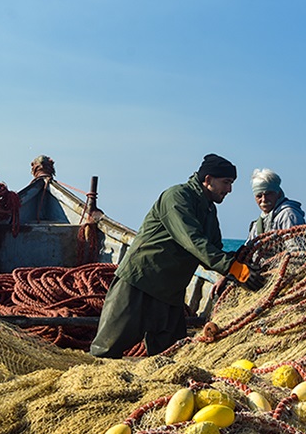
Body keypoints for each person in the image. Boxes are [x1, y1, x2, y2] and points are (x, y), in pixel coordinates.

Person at [90, 154, 265, 359]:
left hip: (170, 292)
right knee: (105, 352)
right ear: (208, 180)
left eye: (231, 183)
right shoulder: (177, 197)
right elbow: (193, 241)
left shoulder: (209, 210)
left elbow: (213, 248)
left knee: (171, 357)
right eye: (226, 183)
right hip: (139, 282)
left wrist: (238, 260)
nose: (229, 190)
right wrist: (234, 269)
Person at [246, 168, 306, 242]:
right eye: (259, 196)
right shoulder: (257, 224)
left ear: (278, 193)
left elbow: (296, 248)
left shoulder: (288, 215)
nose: (264, 199)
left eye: (268, 194)